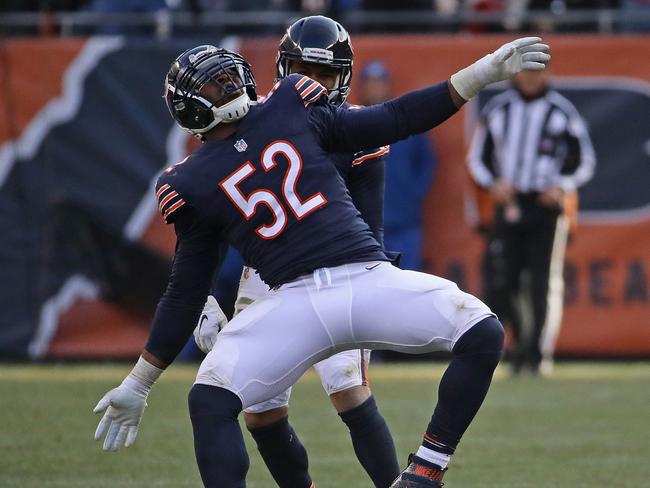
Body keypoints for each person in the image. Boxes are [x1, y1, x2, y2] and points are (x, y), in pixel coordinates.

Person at [93, 37, 550, 488]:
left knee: (482, 330)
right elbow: (186, 287)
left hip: (361, 274)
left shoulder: (288, 105)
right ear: (189, 107)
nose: (230, 86)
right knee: (211, 400)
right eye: (216, 85)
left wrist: (479, 75)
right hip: (291, 297)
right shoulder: (193, 177)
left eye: (231, 75)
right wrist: (140, 381)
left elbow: (392, 118)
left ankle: (423, 473)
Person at [193, 16, 401, 488]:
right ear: (283, 70)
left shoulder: (358, 131)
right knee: (261, 411)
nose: (313, 83)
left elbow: (371, 224)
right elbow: (210, 210)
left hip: (339, 273)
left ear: (344, 77)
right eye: (302, 70)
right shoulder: (255, 123)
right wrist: (201, 294)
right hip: (268, 272)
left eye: (325, 74)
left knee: (349, 389)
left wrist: (377, 275)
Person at [467, 67, 595, 375]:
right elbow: (476, 157)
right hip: (509, 201)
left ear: (548, 75)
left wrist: (561, 185)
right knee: (500, 281)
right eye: (526, 72)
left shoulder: (561, 111)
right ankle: (517, 347)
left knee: (542, 282)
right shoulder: (499, 109)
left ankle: (538, 356)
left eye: (537, 73)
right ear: (515, 74)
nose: (531, 79)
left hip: (545, 206)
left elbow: (584, 160)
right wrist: (493, 182)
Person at [358, 60, 438, 271]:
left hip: (404, 221)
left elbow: (427, 162)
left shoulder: (405, 122)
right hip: (363, 226)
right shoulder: (351, 123)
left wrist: (412, 193)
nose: (375, 88)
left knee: (408, 278)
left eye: (379, 82)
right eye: (370, 83)